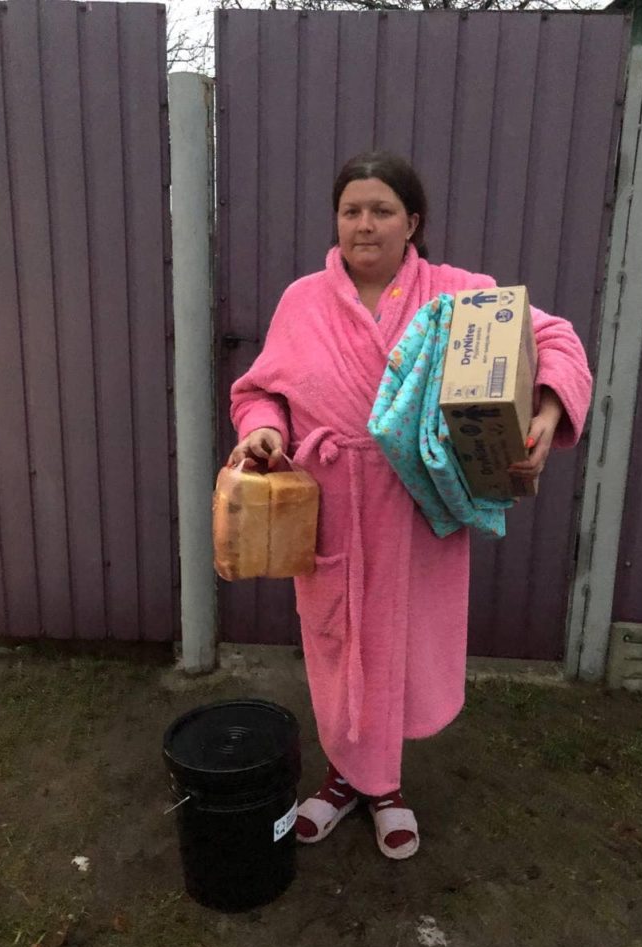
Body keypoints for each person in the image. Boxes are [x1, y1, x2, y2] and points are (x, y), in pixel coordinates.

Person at [228, 151, 592, 860]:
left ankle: (385, 788)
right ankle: (342, 780)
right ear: (337, 220)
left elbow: (554, 338)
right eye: (351, 210)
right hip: (332, 505)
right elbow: (260, 390)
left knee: (401, 650)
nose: (364, 225)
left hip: (418, 508)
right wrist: (264, 429)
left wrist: (546, 411)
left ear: (413, 222)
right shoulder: (303, 299)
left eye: (382, 210)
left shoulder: (459, 294)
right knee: (337, 648)